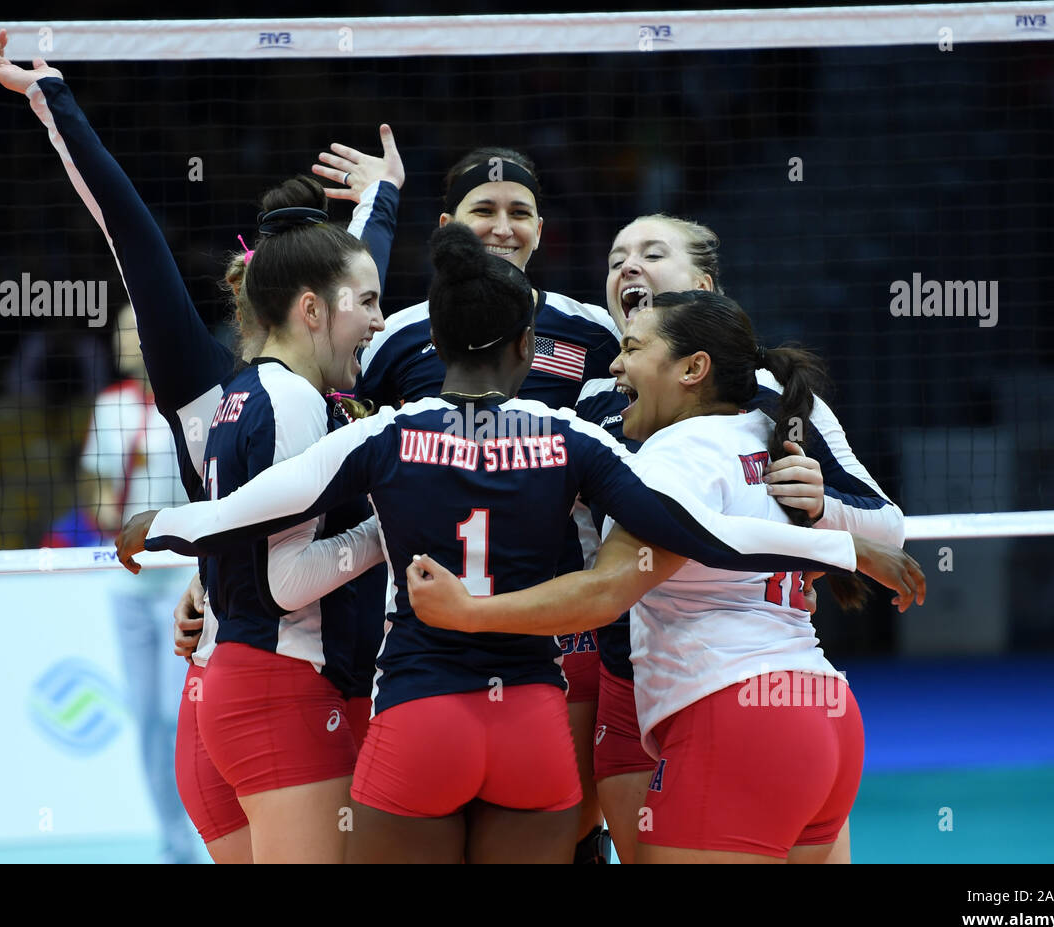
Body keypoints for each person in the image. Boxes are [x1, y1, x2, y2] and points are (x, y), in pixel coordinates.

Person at [115, 226, 917, 864]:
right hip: (532, 724)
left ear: (433, 345)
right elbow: (693, 531)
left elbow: (259, 507)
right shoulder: (574, 436)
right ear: (529, 350)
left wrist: (167, 529)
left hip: (420, 712)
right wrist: (846, 552)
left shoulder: (389, 433)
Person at [0, 29, 401, 863]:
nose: (375, 316)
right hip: (294, 691)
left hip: (218, 688)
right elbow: (131, 234)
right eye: (360, 301)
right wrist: (51, 98)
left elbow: (137, 235)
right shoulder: (291, 393)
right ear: (308, 304)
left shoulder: (273, 387)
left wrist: (382, 204)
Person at [406, 289, 925, 863]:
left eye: (632, 347)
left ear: (692, 369)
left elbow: (607, 590)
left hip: (737, 716)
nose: (614, 364)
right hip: (823, 709)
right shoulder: (762, 433)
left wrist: (471, 613)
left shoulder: (676, 453)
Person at [315, 144, 619, 860]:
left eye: (521, 212)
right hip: (424, 632)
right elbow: (330, 440)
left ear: (543, 227)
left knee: (574, 831)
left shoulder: (591, 334)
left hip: (561, 627)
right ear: (452, 222)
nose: (504, 227)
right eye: (485, 211)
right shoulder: (397, 337)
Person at [574, 212, 907, 863]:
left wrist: (823, 508)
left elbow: (888, 529)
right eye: (616, 257)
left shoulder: (770, 401)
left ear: (702, 285)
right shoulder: (595, 401)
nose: (628, 267)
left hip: (731, 686)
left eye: (651, 253)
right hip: (637, 679)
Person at [75, 302, 197, 864]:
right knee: (147, 718)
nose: (122, 339)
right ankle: (174, 843)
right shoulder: (111, 407)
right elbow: (95, 484)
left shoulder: (195, 404)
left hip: (180, 579)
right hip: (128, 583)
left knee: (177, 717)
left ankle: (204, 830)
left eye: (132, 328)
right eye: (120, 329)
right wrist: (109, 515)